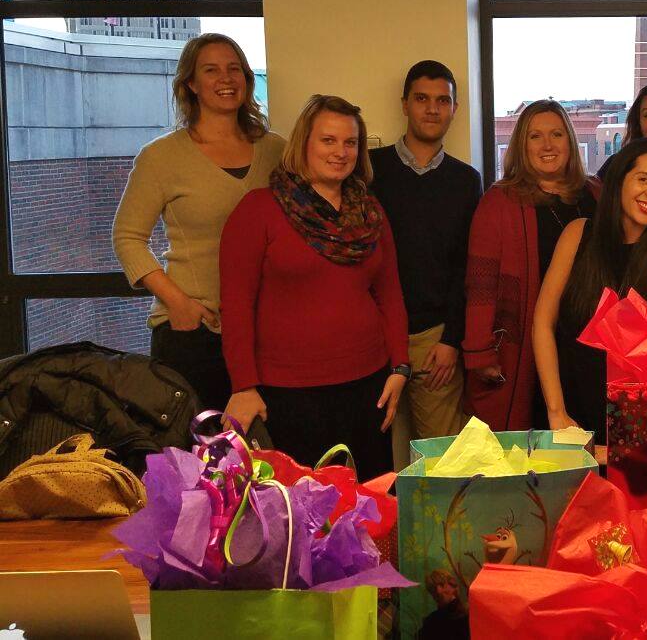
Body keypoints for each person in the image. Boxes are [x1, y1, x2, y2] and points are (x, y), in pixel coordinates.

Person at [219, 94, 408, 479]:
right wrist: (244, 386)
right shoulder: (258, 210)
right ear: (303, 143)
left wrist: (400, 367)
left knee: (368, 499)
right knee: (301, 505)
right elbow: (236, 306)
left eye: (350, 142)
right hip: (287, 395)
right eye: (328, 140)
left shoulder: (370, 213)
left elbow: (390, 295)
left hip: (368, 385)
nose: (340, 152)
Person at [112, 33, 285, 414]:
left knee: (269, 446)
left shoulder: (276, 150)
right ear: (190, 83)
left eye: (234, 69)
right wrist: (178, 303)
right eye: (211, 70)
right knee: (197, 447)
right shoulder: (161, 157)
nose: (226, 78)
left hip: (265, 332)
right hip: (195, 330)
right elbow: (127, 237)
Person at [531, 137, 647, 442]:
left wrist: (617, 448)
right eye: (643, 179)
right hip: (560, 410)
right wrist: (556, 412)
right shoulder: (577, 233)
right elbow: (542, 323)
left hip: (626, 429)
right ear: (619, 181)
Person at [462, 100, 600, 431]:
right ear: (521, 146)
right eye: (535, 137)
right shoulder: (499, 201)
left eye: (557, 134)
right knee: (536, 442)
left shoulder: (596, 194)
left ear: (570, 140)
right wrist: (480, 351)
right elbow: (481, 283)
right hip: (527, 345)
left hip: (589, 345)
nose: (548, 145)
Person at [370, 61, 481, 466]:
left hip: (433, 340)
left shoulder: (466, 180)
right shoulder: (369, 169)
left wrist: (452, 339)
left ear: (454, 109)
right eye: (422, 99)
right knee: (371, 455)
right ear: (405, 104)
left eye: (442, 101)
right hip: (373, 333)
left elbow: (466, 267)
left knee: (442, 461)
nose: (432, 109)